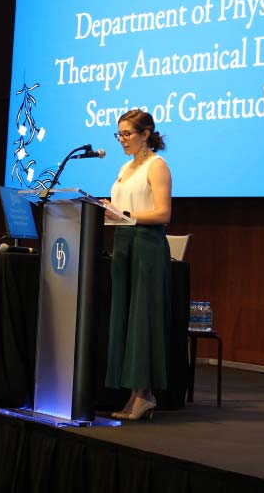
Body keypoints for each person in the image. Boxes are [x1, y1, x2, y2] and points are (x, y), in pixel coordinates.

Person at [101, 109, 172, 421]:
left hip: (147, 246)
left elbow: (162, 214)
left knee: (142, 318)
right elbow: (122, 208)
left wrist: (125, 215)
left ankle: (144, 394)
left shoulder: (157, 166)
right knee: (126, 318)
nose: (122, 140)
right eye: (119, 134)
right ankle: (133, 393)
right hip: (124, 244)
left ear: (146, 134)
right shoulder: (124, 167)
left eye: (127, 134)